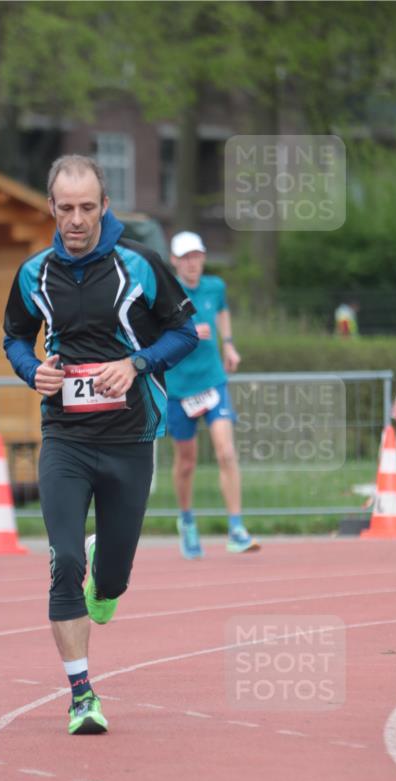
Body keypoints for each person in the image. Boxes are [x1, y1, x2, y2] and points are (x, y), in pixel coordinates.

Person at [3, 154, 198, 735]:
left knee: (109, 581)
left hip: (130, 438)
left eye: (88, 207)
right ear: (51, 208)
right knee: (64, 562)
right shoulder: (33, 273)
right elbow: (14, 336)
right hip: (64, 436)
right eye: (66, 209)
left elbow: (185, 333)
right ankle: (81, 694)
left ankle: (104, 576)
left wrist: (135, 364)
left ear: (104, 205)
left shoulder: (141, 265)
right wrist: (31, 369)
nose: (77, 220)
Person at [165, 232, 260, 558]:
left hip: (212, 381)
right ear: (175, 261)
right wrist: (187, 333)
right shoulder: (165, 292)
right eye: (185, 257)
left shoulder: (215, 287)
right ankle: (187, 520)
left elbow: (221, 311)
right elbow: (150, 332)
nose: (192, 263)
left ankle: (236, 528)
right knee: (187, 462)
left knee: (226, 452)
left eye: (197, 256)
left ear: (203, 258)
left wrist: (229, 343)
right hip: (178, 387)